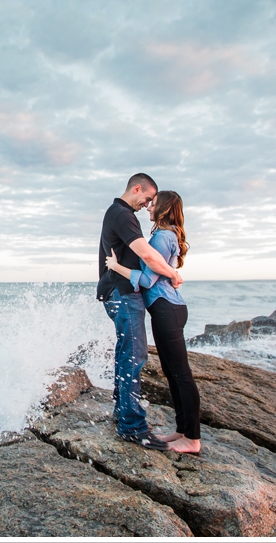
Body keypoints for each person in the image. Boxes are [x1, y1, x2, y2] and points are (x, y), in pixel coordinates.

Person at [106, 190, 200, 455]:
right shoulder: (168, 235)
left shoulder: (161, 236)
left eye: (153, 204)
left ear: (164, 208)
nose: (148, 208)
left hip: (166, 308)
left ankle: (192, 439)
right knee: (172, 373)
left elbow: (147, 280)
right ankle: (182, 431)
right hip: (168, 307)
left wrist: (116, 267)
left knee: (181, 375)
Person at [97, 174, 183, 450]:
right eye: (147, 198)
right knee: (133, 354)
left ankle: (123, 414)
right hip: (122, 293)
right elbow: (146, 254)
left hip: (118, 292)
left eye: (151, 202)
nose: (147, 205)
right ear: (137, 188)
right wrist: (172, 272)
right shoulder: (122, 214)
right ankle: (132, 426)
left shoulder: (119, 213)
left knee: (127, 352)